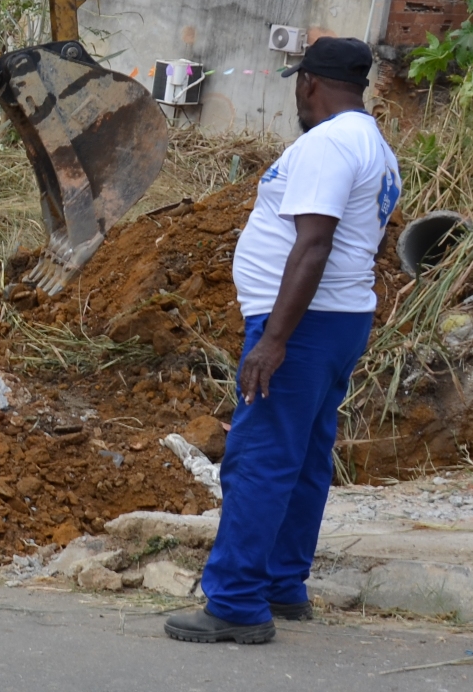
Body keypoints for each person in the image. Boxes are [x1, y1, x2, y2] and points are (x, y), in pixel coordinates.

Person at [168, 37, 400, 645]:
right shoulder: (374, 145)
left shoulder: (326, 144)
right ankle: (282, 583)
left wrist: (274, 340)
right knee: (303, 458)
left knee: (260, 459)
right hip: (339, 321)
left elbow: (314, 244)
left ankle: (238, 602)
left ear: (309, 85)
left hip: (301, 325)